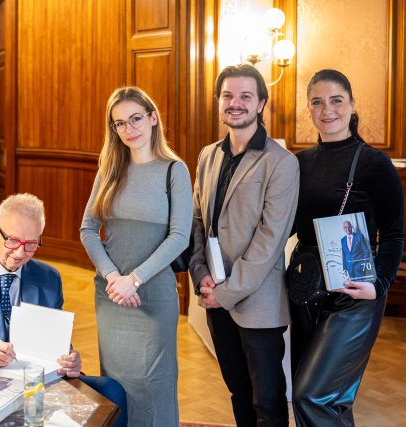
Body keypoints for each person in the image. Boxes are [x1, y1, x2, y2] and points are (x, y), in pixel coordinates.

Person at [0, 193, 127, 426]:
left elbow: (56, 343)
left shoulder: (48, 277)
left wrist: (69, 358)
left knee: (112, 390)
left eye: (31, 244)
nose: (20, 253)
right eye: (12, 241)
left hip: (35, 383)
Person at [290, 69, 404, 426]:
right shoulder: (299, 162)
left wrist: (379, 286)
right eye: (317, 102)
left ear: (352, 104)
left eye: (336, 100)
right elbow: (288, 225)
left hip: (354, 291)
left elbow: (394, 234)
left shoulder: (374, 163)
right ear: (309, 109)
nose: (327, 110)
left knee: (310, 395)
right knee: (333, 398)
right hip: (306, 286)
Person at [189, 64, 299, 426]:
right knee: (238, 391)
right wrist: (200, 274)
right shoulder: (207, 155)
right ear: (218, 100)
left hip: (258, 302)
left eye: (245, 96)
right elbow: (197, 222)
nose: (235, 103)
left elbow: (270, 241)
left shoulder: (281, 163)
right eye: (228, 96)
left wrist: (226, 293)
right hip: (214, 296)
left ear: (261, 103)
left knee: (267, 402)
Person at [80, 86, 193, 426]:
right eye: (120, 123)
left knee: (153, 384)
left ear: (153, 118)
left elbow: (179, 237)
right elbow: (88, 229)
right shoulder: (109, 169)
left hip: (153, 295)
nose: (129, 129)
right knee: (116, 383)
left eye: (136, 119)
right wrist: (115, 278)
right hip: (112, 295)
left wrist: (135, 279)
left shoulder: (175, 170)